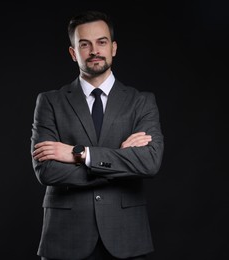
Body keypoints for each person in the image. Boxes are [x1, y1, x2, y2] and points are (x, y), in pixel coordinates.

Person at [30, 10, 164, 260]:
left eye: (101, 42)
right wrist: (121, 163)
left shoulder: (141, 102)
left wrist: (79, 155)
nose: (94, 50)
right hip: (65, 238)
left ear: (113, 48)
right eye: (84, 44)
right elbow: (47, 171)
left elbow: (149, 163)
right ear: (73, 52)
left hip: (127, 238)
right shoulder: (50, 102)